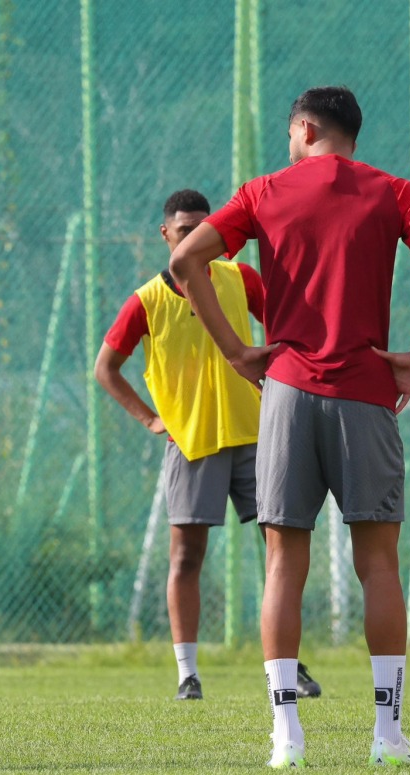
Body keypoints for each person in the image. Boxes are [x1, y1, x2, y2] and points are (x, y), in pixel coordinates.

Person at [169, 86, 410, 768]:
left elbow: (188, 262)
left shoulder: (265, 190)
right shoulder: (395, 191)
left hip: (288, 392)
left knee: (284, 563)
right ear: (350, 134)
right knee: (379, 564)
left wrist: (238, 350)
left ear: (303, 127)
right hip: (366, 393)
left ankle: (286, 739)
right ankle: (387, 736)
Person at [95, 189, 321, 702]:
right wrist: (151, 419)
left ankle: (290, 667)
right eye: (183, 230)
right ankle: (187, 674)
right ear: (165, 235)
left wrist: (286, 382)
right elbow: (105, 369)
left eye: (203, 229)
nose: (195, 238)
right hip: (192, 444)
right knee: (186, 558)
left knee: (280, 550)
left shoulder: (240, 279)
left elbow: (286, 329)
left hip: (256, 436)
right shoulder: (147, 301)